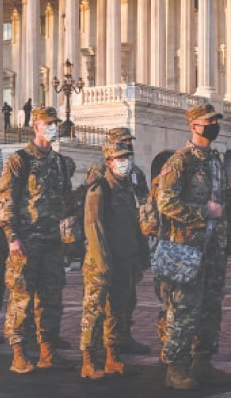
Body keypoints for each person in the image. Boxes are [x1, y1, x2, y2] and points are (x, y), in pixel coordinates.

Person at [156, 103, 231, 390]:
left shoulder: (215, 162)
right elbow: (165, 202)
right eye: (208, 121)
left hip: (214, 249)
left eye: (214, 121)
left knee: (210, 308)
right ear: (193, 125)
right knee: (184, 309)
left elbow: (228, 205)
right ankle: (176, 367)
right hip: (187, 250)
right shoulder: (180, 162)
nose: (213, 126)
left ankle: (203, 362)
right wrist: (202, 212)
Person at [0, 106, 73, 374]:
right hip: (26, 242)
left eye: (56, 122)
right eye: (49, 122)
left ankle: (47, 352)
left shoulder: (61, 163)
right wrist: (12, 237)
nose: (54, 126)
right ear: (36, 126)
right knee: (22, 299)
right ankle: (18, 353)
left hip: (52, 240)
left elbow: (66, 199)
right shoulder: (20, 160)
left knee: (51, 299)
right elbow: (5, 199)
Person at [86, 127, 150, 354]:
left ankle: (124, 335)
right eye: (122, 142)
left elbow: (143, 203)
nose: (127, 146)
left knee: (127, 296)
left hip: (129, 241)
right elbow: (94, 214)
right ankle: (105, 344)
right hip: (110, 241)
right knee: (106, 301)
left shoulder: (135, 173)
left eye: (129, 142)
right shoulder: (100, 173)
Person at [80, 141, 141, 379]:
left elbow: (132, 225)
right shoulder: (100, 187)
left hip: (124, 258)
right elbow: (93, 226)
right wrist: (102, 261)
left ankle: (112, 357)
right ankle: (88, 360)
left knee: (117, 309)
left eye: (126, 157)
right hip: (101, 260)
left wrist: (138, 255)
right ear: (108, 162)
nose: (124, 162)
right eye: (119, 158)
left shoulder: (126, 187)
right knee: (94, 311)